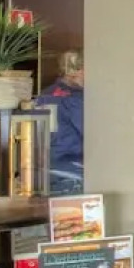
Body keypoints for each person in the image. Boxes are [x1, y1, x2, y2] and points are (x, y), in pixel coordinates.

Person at [35, 49, 85, 192]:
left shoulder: (45, 95)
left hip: (46, 170)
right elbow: (93, 134)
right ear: (77, 70)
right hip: (73, 171)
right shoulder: (75, 100)